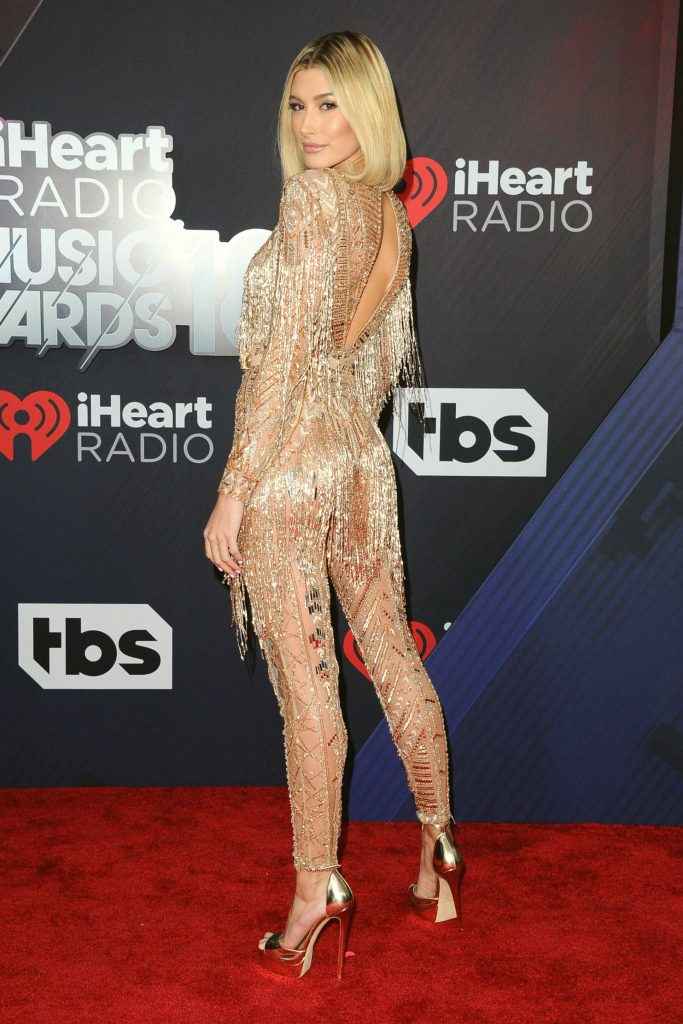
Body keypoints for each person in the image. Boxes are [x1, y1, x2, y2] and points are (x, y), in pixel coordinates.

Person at [203, 30, 465, 979]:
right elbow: (379, 366)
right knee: (390, 652)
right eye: (298, 105)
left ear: (368, 110)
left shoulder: (312, 201)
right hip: (360, 462)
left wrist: (234, 491)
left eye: (330, 104)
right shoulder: (391, 217)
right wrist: (339, 436)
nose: (310, 125)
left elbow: (278, 370)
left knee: (309, 690)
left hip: (290, 471)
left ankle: (316, 888)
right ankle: (437, 849)